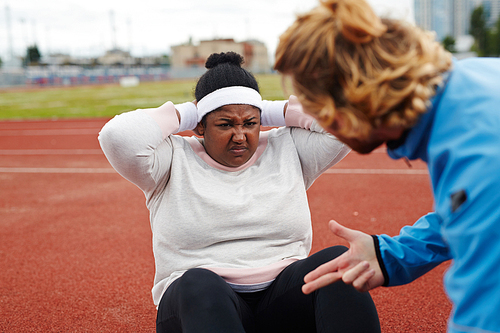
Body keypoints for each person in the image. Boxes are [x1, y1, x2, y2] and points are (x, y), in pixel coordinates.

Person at [98, 52, 381, 333]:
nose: (240, 136)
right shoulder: (171, 159)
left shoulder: (288, 148)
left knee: (336, 263)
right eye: (225, 124)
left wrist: (273, 110)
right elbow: (118, 137)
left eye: (250, 123)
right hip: (198, 304)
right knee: (199, 282)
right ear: (200, 124)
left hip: (281, 302)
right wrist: (187, 112)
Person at [274, 0, 500, 332]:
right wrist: (391, 254)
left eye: (319, 112)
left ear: (350, 104)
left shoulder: (478, 157)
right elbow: (470, 208)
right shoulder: (468, 83)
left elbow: (483, 318)